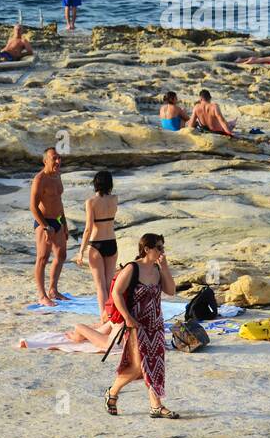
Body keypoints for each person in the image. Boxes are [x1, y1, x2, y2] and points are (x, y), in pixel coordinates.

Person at [105, 233, 179, 419]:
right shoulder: (132, 268)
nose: (162, 251)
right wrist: (127, 318)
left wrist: (165, 268)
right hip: (136, 325)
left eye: (163, 247)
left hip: (155, 325)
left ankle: (156, 406)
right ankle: (112, 392)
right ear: (147, 249)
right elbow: (116, 293)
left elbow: (171, 291)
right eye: (159, 248)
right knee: (139, 366)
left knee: (155, 365)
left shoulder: (157, 269)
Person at [30, 147, 71, 307]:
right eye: (54, 158)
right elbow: (33, 207)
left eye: (59, 158)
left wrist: (64, 223)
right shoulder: (40, 179)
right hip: (43, 222)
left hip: (58, 220)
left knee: (61, 255)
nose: (58, 161)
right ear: (45, 160)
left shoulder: (57, 176)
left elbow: (59, 202)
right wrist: (46, 226)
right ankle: (42, 295)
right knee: (42, 258)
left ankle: (53, 290)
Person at [76, 170, 119, 321]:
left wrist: (81, 251)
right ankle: (112, 316)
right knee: (109, 284)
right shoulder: (114, 199)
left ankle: (104, 318)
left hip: (96, 244)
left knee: (100, 286)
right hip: (111, 242)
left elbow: (88, 228)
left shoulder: (91, 202)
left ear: (95, 183)